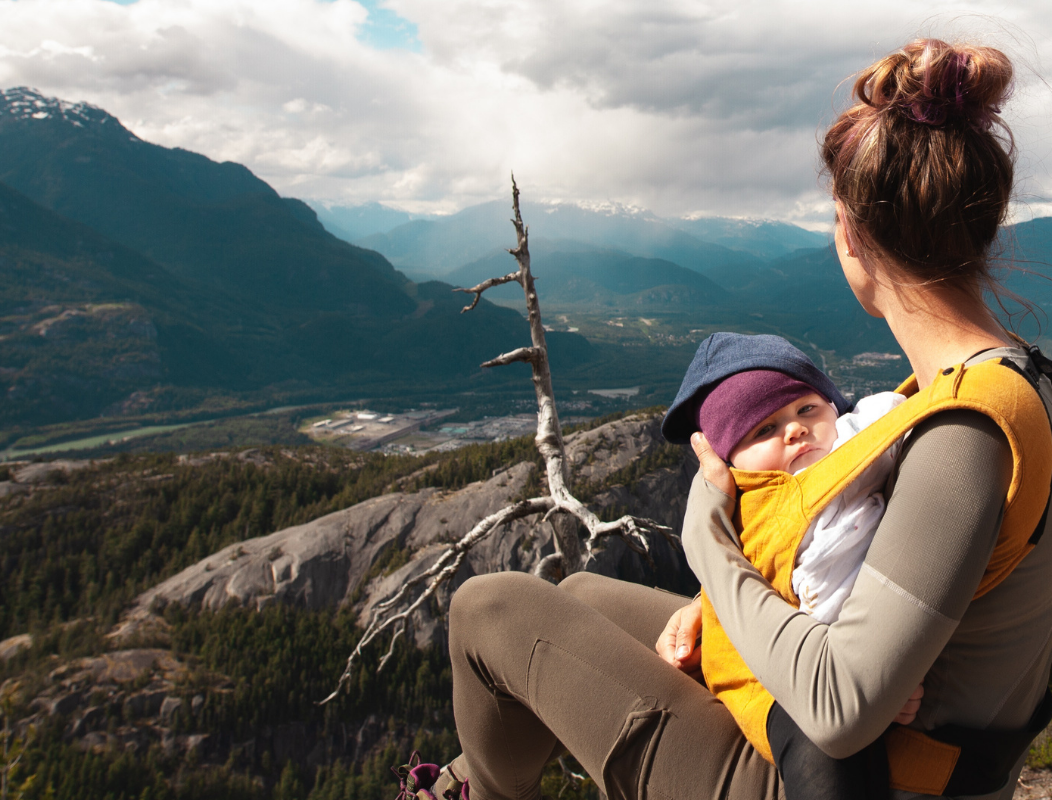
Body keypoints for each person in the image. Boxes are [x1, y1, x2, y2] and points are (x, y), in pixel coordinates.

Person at [408, 38, 1052, 800]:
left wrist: (707, 542)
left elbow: (841, 709)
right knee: (583, 599)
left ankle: (467, 793)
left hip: (847, 777)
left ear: (852, 237)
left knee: (490, 609)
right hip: (898, 751)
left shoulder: (969, 433)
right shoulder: (1006, 384)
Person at [658, 333, 909, 800]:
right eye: (762, 430)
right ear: (733, 464)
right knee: (826, 756)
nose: (794, 429)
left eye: (807, 410)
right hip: (774, 685)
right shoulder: (749, 511)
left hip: (862, 658)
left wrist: (891, 675)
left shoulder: (869, 444)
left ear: (837, 408)